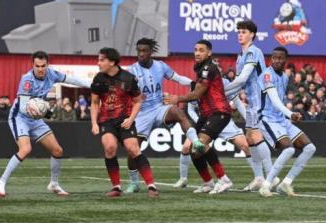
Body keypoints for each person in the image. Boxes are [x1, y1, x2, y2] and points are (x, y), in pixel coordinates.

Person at [0, 51, 89, 198]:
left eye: (43, 66)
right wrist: (46, 111)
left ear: (47, 64)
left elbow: (72, 80)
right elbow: (25, 107)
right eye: (37, 66)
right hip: (20, 117)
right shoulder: (27, 80)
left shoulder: (52, 74)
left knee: (57, 151)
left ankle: (54, 184)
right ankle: (1, 182)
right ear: (32, 65)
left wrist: (90, 84)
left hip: (35, 119)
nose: (40, 69)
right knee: (25, 149)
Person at [123, 37, 197, 194]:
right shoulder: (131, 71)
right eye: (139, 51)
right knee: (133, 149)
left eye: (144, 51)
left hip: (158, 108)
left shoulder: (161, 66)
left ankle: (196, 141)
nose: (141, 54)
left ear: (151, 52)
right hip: (141, 114)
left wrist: (195, 84)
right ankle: (134, 183)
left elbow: (177, 79)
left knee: (177, 111)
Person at [164, 40, 233, 194]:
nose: (197, 53)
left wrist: (177, 99)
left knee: (200, 143)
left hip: (219, 112)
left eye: (201, 50)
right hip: (206, 113)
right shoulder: (200, 68)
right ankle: (208, 182)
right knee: (192, 147)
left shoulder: (208, 68)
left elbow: (197, 93)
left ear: (209, 53)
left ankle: (224, 180)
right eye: (195, 50)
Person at [91, 47, 158, 198]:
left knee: (133, 149)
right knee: (110, 148)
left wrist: (131, 119)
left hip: (125, 120)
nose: (98, 63)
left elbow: (138, 101)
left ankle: (151, 186)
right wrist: (94, 123)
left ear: (112, 62)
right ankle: (116, 187)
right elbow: (95, 103)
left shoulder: (128, 78)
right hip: (106, 121)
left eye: (101, 60)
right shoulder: (98, 79)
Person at [257, 47, 317, 197]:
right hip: (267, 119)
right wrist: (290, 113)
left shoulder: (284, 77)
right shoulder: (266, 75)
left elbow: (281, 101)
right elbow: (274, 99)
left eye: (280, 58)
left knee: (310, 148)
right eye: (274, 58)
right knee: (289, 149)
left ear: (285, 60)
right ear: (271, 59)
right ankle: (266, 185)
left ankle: (286, 183)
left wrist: (288, 115)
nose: (277, 60)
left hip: (281, 119)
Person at [223, 20, 274, 191]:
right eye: (238, 31)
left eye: (244, 31)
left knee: (256, 135)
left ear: (252, 34)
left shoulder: (253, 52)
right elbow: (238, 85)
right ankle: (259, 178)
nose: (240, 34)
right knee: (250, 136)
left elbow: (243, 79)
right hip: (253, 101)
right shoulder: (240, 56)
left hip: (262, 99)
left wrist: (221, 91)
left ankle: (271, 177)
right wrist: (227, 95)